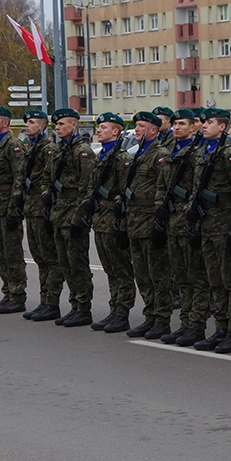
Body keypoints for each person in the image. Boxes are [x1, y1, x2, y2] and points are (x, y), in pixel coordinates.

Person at [186, 108, 231, 353]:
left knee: (230, 280)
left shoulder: (230, 154)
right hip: (207, 223)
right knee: (215, 281)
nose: (204, 126)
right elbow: (197, 187)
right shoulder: (204, 151)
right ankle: (220, 328)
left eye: (209, 122)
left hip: (223, 224)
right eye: (204, 122)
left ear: (222, 127)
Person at [155, 108, 211, 345]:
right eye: (175, 124)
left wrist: (189, 214)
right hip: (171, 221)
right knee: (181, 277)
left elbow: (197, 189)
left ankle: (196, 325)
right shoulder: (170, 152)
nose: (177, 127)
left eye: (182, 124)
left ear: (193, 127)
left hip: (188, 221)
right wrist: (160, 208)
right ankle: (185, 322)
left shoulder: (197, 154)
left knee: (196, 276)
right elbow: (161, 186)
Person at [124, 111, 173, 338]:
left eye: (142, 126)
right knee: (142, 273)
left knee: (157, 274)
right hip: (134, 219)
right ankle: (150, 315)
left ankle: (162, 319)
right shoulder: (138, 154)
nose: (137, 130)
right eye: (136, 126)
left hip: (149, 219)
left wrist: (159, 223)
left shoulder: (160, 155)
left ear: (154, 130)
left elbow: (162, 190)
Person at [86, 112, 136, 332]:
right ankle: (114, 309)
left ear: (116, 131)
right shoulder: (102, 156)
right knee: (110, 269)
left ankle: (122, 313)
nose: (99, 130)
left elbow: (126, 191)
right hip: (100, 219)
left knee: (121, 269)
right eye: (99, 127)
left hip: (113, 220)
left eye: (104, 127)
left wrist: (117, 211)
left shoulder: (122, 158)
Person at [48, 108, 95, 327]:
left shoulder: (82, 151)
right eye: (56, 125)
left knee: (77, 262)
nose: (57, 128)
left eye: (61, 125)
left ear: (73, 125)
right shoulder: (59, 149)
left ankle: (84, 307)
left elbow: (87, 188)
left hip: (73, 213)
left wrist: (79, 218)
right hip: (59, 211)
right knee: (64, 262)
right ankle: (74, 304)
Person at [18, 110, 63, 323]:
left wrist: (49, 209)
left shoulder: (49, 150)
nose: (27, 125)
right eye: (26, 122)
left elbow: (50, 180)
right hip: (31, 208)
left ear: (43, 126)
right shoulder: (31, 148)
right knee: (39, 258)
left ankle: (51, 302)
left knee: (50, 258)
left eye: (32, 122)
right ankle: (44, 300)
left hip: (42, 208)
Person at [0, 106, 27, 314]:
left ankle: (18, 295)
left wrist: (14, 208)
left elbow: (18, 177)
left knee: (12, 253)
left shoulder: (13, 145)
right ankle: (7, 292)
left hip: (7, 204)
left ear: (5, 123)